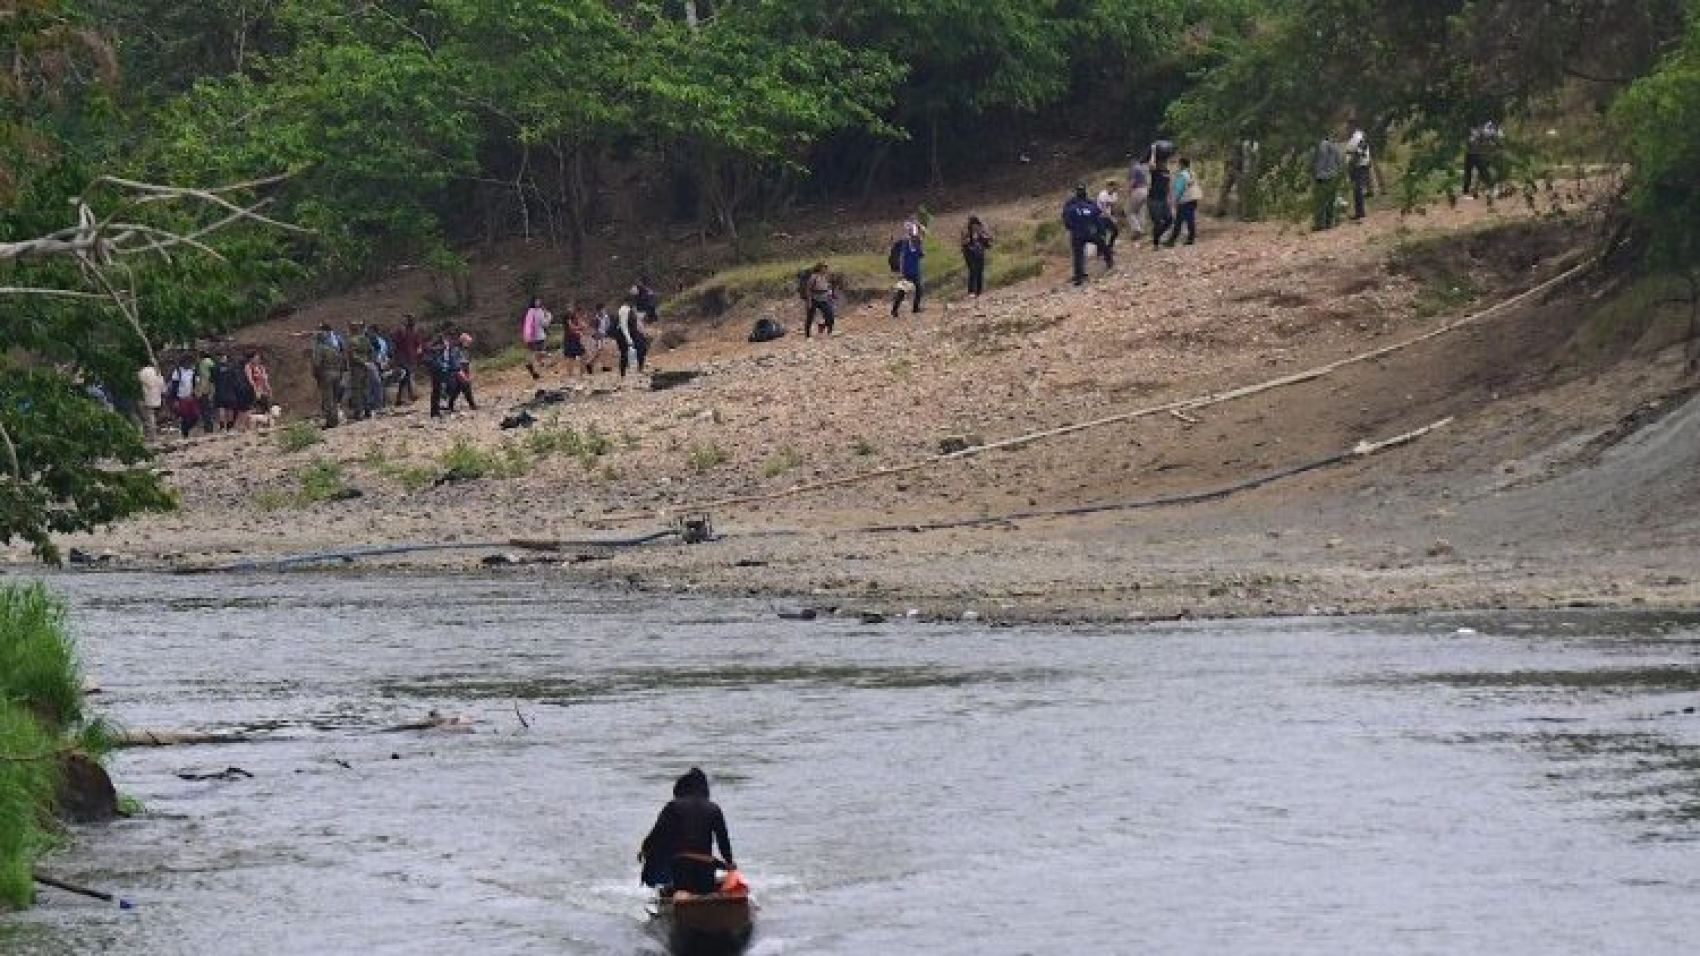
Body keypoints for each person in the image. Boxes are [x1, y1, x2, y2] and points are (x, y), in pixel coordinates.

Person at [640, 767, 736, 896]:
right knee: (706, 893)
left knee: (682, 892)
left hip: (681, 865)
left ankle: (680, 902)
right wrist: (729, 862)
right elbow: (723, 840)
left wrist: (645, 849)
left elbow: (658, 833)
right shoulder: (714, 808)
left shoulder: (673, 806)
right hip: (706, 865)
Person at [1063, 183, 1109, 286]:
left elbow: (1065, 217)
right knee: (1100, 244)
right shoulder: (1089, 203)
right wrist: (1100, 230)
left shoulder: (1070, 203)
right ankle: (1109, 262)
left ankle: (1079, 276)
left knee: (1078, 254)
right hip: (1088, 231)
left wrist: (1070, 227)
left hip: (1077, 232)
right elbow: (1097, 217)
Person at [309, 323, 347, 428]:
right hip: (337, 374)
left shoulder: (319, 349)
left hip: (326, 375)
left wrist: (316, 375)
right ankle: (335, 420)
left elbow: (317, 364)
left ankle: (330, 422)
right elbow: (341, 361)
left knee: (328, 399)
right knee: (334, 399)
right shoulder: (333, 348)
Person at [1163, 156, 1201, 247]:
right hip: (1194, 198)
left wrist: (1175, 200)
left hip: (1185, 200)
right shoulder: (1192, 172)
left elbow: (1180, 189)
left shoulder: (1182, 174)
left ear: (1182, 164)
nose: (1177, 165)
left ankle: (1173, 241)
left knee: (1180, 221)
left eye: (1178, 163)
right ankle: (1188, 239)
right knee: (1188, 220)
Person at [1312, 134, 1344, 231]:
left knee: (1320, 202)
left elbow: (1320, 161)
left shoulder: (1322, 145)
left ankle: (1319, 225)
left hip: (1322, 177)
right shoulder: (1336, 146)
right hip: (1333, 177)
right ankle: (1329, 223)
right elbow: (1339, 162)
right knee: (1331, 201)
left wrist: (1317, 174)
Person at [614, 297, 650, 378]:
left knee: (642, 347)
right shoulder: (623, 310)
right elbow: (623, 326)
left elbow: (637, 322)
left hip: (633, 331)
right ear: (627, 302)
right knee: (624, 353)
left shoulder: (632, 309)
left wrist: (643, 332)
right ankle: (622, 374)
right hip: (622, 333)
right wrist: (629, 339)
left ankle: (640, 369)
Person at [346, 321, 375, 421]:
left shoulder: (351, 341)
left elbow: (352, 356)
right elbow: (371, 351)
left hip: (357, 368)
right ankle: (368, 411)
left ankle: (358, 413)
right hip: (366, 367)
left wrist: (363, 362)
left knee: (356, 391)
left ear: (352, 330)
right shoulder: (365, 339)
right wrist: (369, 362)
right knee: (366, 389)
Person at [391, 314, 424, 403]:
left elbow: (418, 343)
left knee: (405, 377)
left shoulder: (414, 331)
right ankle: (411, 395)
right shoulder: (401, 330)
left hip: (411, 357)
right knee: (407, 374)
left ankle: (399, 398)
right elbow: (395, 342)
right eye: (412, 320)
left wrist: (419, 349)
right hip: (403, 357)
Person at [1463, 120, 1501, 198]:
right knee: (1473, 173)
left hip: (1480, 155)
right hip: (1475, 155)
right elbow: (1470, 142)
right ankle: (1470, 191)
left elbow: (1488, 139)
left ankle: (1492, 189)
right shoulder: (1475, 132)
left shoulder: (1482, 132)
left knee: (1486, 172)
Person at [166, 355, 200, 438]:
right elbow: (174, 386)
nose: (190, 365)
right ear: (184, 363)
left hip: (190, 397)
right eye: (188, 363)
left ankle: (185, 429)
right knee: (185, 417)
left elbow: (194, 384)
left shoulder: (192, 371)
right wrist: (175, 400)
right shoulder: (177, 372)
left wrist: (195, 394)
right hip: (181, 398)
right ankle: (185, 435)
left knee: (196, 416)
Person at [890, 235, 925, 316]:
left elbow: (922, 255)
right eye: (917, 241)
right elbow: (902, 259)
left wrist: (920, 247)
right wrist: (901, 272)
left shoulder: (917, 248)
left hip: (915, 273)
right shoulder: (906, 248)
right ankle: (894, 310)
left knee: (919, 290)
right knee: (902, 292)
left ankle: (915, 308)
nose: (917, 243)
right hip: (907, 273)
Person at [960, 217, 993, 298]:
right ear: (971, 225)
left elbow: (987, 240)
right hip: (969, 255)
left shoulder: (981, 231)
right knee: (972, 270)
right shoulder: (967, 232)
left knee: (980, 271)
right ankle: (971, 291)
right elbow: (964, 243)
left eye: (977, 225)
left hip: (979, 253)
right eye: (974, 225)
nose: (975, 227)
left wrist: (987, 238)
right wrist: (968, 240)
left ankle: (979, 291)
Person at [1147, 150, 1174, 249]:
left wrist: (1171, 199)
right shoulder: (1155, 171)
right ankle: (1155, 244)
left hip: (1163, 200)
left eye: (1165, 162)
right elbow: (1151, 165)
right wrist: (1154, 151)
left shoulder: (1167, 171)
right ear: (1159, 163)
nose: (1164, 163)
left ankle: (1156, 237)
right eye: (1162, 162)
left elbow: (1168, 186)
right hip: (1153, 200)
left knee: (1169, 220)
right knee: (1157, 222)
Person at [1345, 122, 1372, 220]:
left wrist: (1352, 163)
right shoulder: (1353, 137)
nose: (1346, 130)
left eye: (1348, 127)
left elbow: (1361, 150)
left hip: (1359, 165)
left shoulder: (1359, 136)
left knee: (1358, 189)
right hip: (1356, 165)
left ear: (1353, 127)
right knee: (1356, 190)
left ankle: (1361, 213)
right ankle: (1359, 212)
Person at [521, 296, 552, 380]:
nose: (539, 302)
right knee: (540, 354)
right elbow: (545, 324)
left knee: (534, 354)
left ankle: (532, 367)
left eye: (539, 300)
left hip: (530, 337)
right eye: (537, 301)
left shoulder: (529, 311)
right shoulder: (539, 311)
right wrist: (549, 316)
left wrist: (526, 336)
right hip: (539, 336)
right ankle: (537, 371)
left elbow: (527, 325)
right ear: (534, 302)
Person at [802, 262, 835, 336]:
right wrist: (809, 301)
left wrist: (830, 294)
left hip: (824, 299)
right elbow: (808, 289)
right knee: (810, 317)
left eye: (826, 267)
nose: (826, 269)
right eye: (824, 267)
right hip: (814, 299)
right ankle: (807, 335)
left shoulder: (825, 276)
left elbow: (827, 286)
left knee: (830, 316)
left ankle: (828, 331)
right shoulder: (813, 277)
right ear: (820, 268)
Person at [445, 332, 475, 411]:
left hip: (464, 369)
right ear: (463, 341)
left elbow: (467, 360)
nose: (469, 344)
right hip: (457, 371)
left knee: (457, 389)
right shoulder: (455, 349)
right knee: (466, 386)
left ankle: (450, 405)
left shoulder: (465, 349)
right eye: (468, 342)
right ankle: (472, 405)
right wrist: (461, 372)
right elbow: (455, 362)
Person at [424, 334, 450, 418]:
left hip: (437, 370)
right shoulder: (436, 349)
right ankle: (435, 411)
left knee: (437, 391)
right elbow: (437, 360)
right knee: (437, 391)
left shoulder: (435, 349)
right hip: (436, 371)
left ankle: (435, 411)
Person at [243, 351, 273, 426]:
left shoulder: (261, 367)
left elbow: (265, 379)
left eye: (258, 358)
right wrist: (255, 390)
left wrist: (268, 389)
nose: (257, 359)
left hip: (262, 389)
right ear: (251, 359)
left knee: (265, 406)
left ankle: (266, 423)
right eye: (255, 358)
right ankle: (248, 425)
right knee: (250, 407)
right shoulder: (248, 366)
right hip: (251, 390)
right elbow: (250, 379)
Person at [137, 362, 164, 440]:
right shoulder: (156, 371)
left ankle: (151, 435)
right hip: (156, 397)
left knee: (147, 417)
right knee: (151, 416)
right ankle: (153, 435)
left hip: (145, 397)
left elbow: (139, 387)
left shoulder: (141, 373)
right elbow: (161, 384)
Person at [1127, 155, 1151, 239]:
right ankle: (1142, 229)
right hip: (1145, 190)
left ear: (1132, 161)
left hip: (1137, 190)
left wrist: (1129, 191)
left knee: (1130, 212)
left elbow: (1133, 181)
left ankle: (1137, 230)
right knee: (1141, 211)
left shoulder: (1133, 168)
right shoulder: (1142, 168)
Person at [193, 351, 217, 434]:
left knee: (205, 410)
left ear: (200, 357)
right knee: (209, 410)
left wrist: (199, 391)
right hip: (212, 390)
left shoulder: (202, 364)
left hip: (204, 390)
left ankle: (208, 429)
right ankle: (210, 428)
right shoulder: (213, 363)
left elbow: (202, 378)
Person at [561, 306, 587, 379]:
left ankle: (578, 375)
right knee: (572, 357)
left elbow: (581, 324)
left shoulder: (574, 317)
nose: (571, 309)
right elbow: (572, 327)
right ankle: (573, 375)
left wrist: (581, 326)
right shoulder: (567, 317)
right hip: (570, 339)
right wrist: (581, 327)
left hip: (574, 339)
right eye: (570, 308)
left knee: (575, 357)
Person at [1096, 179, 1121, 251]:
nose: (1113, 188)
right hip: (1100, 216)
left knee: (1115, 231)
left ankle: (1110, 247)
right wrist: (1112, 218)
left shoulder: (1115, 194)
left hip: (1107, 216)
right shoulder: (1102, 194)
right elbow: (1103, 209)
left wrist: (1114, 215)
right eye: (1111, 186)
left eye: (1114, 186)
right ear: (1107, 187)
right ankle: (1100, 252)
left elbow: (1113, 206)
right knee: (1102, 234)